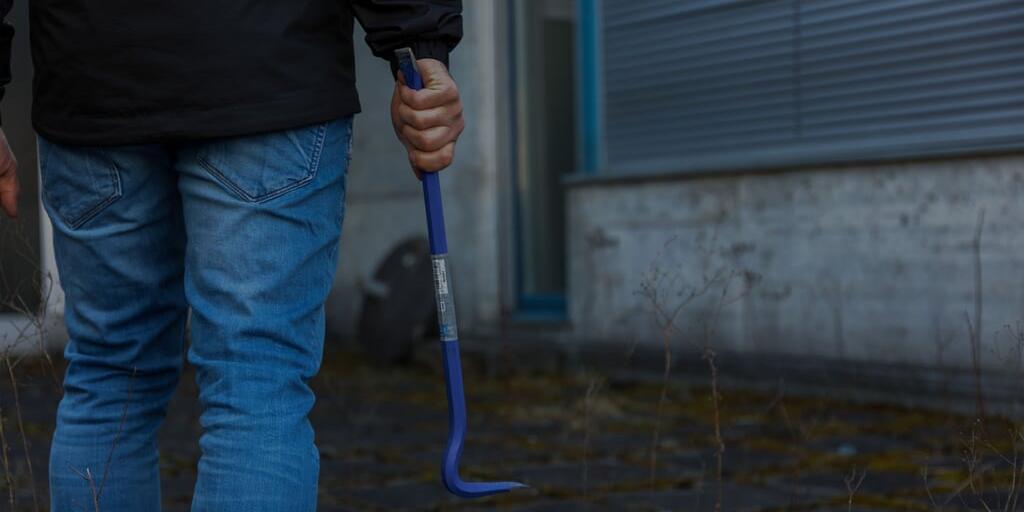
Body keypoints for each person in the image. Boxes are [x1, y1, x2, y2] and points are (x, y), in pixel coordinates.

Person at [0, 1, 465, 510]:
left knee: (109, 376)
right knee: (256, 379)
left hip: (92, 77)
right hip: (268, 70)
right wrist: (419, 41)